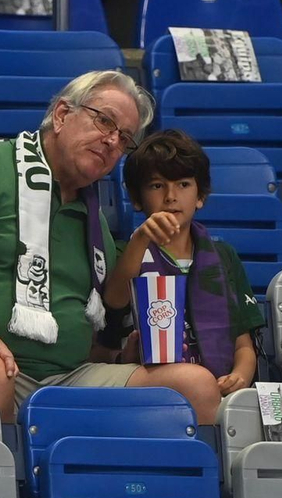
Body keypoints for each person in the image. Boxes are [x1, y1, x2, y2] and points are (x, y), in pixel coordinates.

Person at [0, 71, 225, 423]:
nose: (112, 141)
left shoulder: (95, 220)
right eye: (105, 121)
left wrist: (122, 356)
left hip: (64, 378)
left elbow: (92, 337)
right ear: (63, 114)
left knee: (194, 386)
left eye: (124, 138)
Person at [99, 129, 263, 401]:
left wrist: (240, 376)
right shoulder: (124, 252)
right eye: (156, 186)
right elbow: (115, 300)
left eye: (183, 184)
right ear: (137, 198)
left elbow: (243, 345)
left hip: (219, 389)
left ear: (200, 196)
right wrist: (141, 239)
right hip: (151, 389)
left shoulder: (224, 256)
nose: (171, 196)